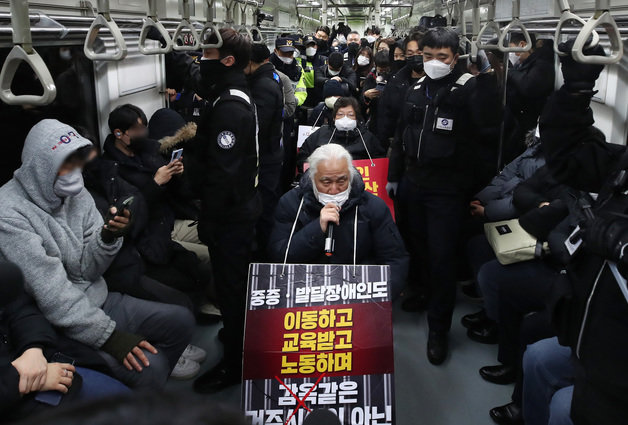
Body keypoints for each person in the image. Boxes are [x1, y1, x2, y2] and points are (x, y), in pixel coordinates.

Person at [0, 119, 194, 389]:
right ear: (42, 167)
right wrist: (110, 337)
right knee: (152, 366)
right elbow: (52, 294)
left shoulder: (75, 193)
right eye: (66, 165)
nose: (75, 172)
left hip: (96, 297)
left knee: (181, 321)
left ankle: (142, 392)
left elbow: (88, 271)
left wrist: (108, 237)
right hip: (57, 322)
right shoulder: (9, 213)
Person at [386, 27, 500, 365]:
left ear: (455, 58)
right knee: (416, 246)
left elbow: (487, 138)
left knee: (442, 258)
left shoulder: (471, 90)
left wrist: (475, 188)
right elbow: (400, 134)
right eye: (428, 56)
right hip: (413, 182)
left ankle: (438, 328)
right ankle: (422, 292)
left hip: (447, 190)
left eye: (442, 57)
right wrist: (394, 176)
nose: (434, 63)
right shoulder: (416, 90)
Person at [537, 39, 628, 425]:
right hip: (595, 330)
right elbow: (568, 157)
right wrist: (575, 92)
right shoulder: (623, 165)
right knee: (538, 361)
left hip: (617, 369)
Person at [186, 28, 262, 394]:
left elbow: (224, 175)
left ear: (228, 61)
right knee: (231, 285)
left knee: (232, 289)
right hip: (234, 210)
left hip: (229, 215)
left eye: (208, 54)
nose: (201, 61)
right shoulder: (224, 96)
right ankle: (236, 334)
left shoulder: (230, 107)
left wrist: (208, 218)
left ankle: (236, 363)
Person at [268, 144, 408, 298]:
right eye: (326, 182)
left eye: (342, 181)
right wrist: (317, 229)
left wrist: (377, 299)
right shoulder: (291, 203)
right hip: (305, 293)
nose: (334, 190)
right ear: (313, 178)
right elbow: (278, 257)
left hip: (358, 293)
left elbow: (395, 260)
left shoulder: (373, 206)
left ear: (350, 175)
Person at [0, 261, 130, 422]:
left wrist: (33, 350)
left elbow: (21, 308)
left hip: (43, 360)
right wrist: (22, 380)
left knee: (130, 403)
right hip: (20, 397)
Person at [245, 43, 285, 260]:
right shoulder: (272, 78)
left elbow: (259, 127)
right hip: (273, 152)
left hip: (267, 157)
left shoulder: (262, 86)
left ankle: (266, 254)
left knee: (266, 207)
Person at [502, 32, 555, 164]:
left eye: (512, 48)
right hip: (517, 121)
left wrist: (509, 72)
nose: (511, 54)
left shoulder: (541, 65)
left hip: (528, 124)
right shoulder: (525, 64)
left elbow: (528, 87)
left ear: (522, 45)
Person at [298, 96, 385, 172]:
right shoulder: (321, 133)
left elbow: (380, 160)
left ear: (357, 118)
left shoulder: (367, 137)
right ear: (334, 117)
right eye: (340, 114)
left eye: (350, 115)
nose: (345, 118)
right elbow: (304, 155)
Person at [377, 31, 424, 148]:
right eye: (410, 53)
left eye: (420, 52)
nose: (415, 57)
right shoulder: (395, 81)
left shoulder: (435, 82)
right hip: (400, 144)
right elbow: (385, 115)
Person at [270, 36, 308, 107]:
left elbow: (301, 91)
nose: (287, 57)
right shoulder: (268, 66)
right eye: (284, 53)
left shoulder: (298, 70)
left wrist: (293, 101)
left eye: (290, 54)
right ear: (276, 51)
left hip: (290, 109)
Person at [361, 50, 390, 136]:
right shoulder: (370, 78)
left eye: (386, 70)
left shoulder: (395, 76)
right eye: (381, 70)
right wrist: (366, 96)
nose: (383, 73)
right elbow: (362, 103)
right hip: (375, 117)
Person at [299, 34, 328, 108]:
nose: (310, 48)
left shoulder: (324, 60)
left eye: (313, 45)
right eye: (308, 46)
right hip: (304, 95)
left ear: (317, 46)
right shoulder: (299, 61)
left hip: (320, 95)